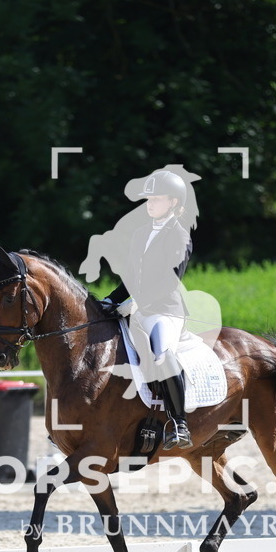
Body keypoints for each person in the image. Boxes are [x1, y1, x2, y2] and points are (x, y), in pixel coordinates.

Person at [96, 168, 199, 450]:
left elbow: (169, 279)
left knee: (162, 352)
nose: (149, 203)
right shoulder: (141, 234)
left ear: (174, 203)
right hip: (138, 309)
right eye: (148, 199)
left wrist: (136, 303)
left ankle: (180, 423)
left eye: (156, 198)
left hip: (165, 311)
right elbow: (131, 278)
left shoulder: (179, 235)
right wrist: (111, 300)